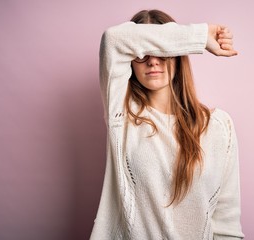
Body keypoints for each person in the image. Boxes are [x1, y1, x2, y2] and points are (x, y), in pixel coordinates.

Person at [90, 9, 244, 240]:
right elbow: (113, 39)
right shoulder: (122, 115)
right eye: (143, 53)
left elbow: (226, 224)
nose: (153, 60)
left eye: (162, 51)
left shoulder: (219, 127)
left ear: (177, 54)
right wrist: (201, 36)